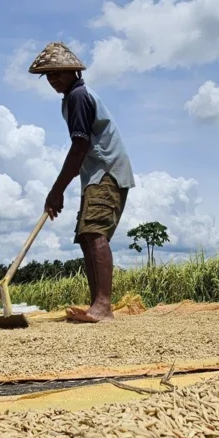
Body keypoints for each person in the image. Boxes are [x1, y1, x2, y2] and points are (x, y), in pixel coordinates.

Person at [29, 41, 135, 323]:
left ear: (73, 72)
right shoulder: (71, 99)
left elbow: (79, 146)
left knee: (94, 232)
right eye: (49, 76)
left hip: (107, 172)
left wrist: (56, 190)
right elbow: (81, 151)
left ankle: (103, 306)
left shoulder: (78, 96)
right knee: (86, 236)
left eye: (58, 73)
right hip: (95, 174)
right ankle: (96, 304)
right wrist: (63, 187)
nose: (53, 80)